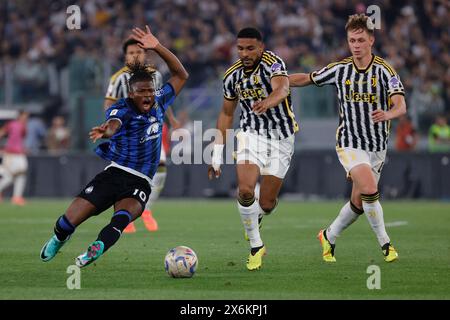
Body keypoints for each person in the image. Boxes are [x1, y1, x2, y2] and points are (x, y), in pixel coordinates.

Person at [40, 26, 188, 268]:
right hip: (114, 174)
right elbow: (114, 124)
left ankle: (95, 249)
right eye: (142, 92)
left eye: (150, 90)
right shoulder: (123, 107)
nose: (148, 95)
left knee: (121, 219)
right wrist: (106, 130)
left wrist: (158, 47)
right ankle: (60, 237)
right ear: (131, 93)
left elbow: (181, 75)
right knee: (68, 222)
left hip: (141, 181)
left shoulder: (160, 100)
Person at [289, 14, 406, 263]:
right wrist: (279, 83)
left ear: (371, 40)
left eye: (360, 40)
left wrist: (388, 113)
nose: (355, 45)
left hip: (377, 146)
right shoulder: (340, 69)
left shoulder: (385, 71)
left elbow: (401, 105)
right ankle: (386, 245)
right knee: (371, 189)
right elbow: (309, 78)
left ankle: (329, 236)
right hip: (349, 142)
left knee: (360, 202)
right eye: (352, 40)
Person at [208, 27, 299, 271]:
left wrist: (268, 102)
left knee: (267, 203)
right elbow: (227, 113)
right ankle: (256, 246)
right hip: (251, 135)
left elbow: (282, 88)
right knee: (246, 189)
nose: (244, 53)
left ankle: (256, 216)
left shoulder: (273, 62)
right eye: (240, 48)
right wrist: (217, 154)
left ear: (261, 47)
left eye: (250, 48)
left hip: (282, 137)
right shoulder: (231, 75)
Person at [104, 37, 180, 233]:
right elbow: (109, 104)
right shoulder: (117, 79)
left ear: (145, 54)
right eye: (130, 53)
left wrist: (172, 120)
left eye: (138, 52)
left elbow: (162, 101)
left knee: (161, 166)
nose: (134, 56)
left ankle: (146, 209)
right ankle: (124, 215)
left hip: (150, 132)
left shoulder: (154, 75)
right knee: (121, 174)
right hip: (127, 134)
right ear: (124, 57)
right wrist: (111, 126)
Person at [0, 110, 29, 205]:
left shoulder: (24, 126)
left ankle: (17, 197)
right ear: (20, 116)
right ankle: (17, 197)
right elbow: (2, 132)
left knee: (19, 175)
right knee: (10, 177)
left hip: (19, 154)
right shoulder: (12, 124)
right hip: (10, 154)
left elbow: (20, 140)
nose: (26, 118)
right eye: (24, 116)